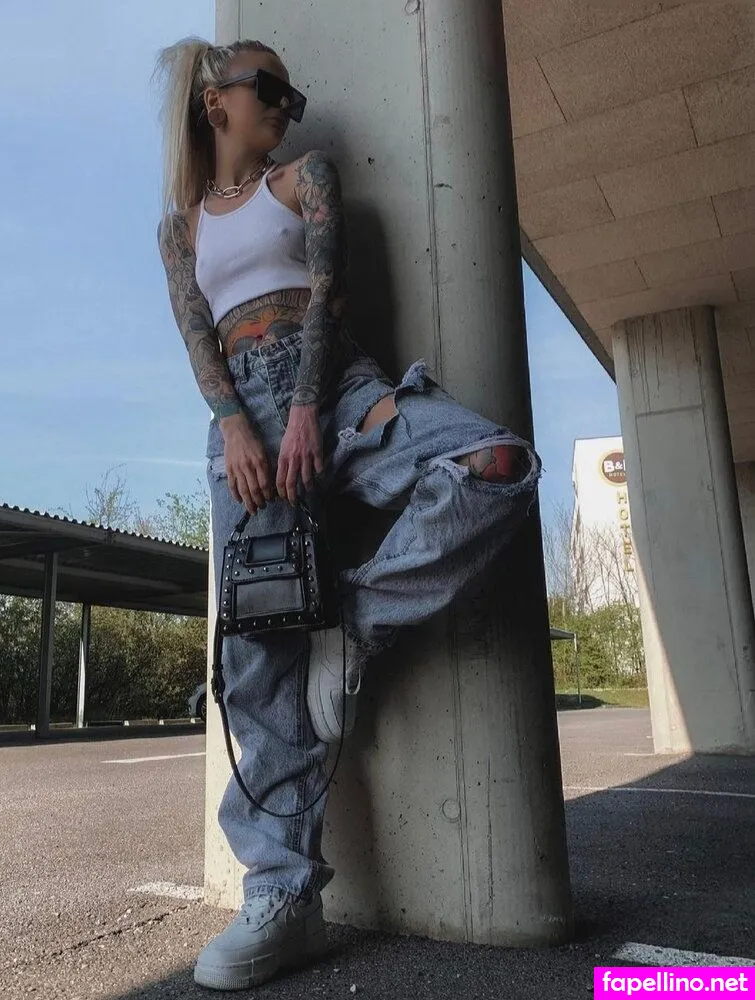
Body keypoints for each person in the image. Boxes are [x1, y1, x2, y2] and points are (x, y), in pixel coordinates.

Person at [153, 36, 542, 992]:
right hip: (243, 424)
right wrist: (237, 426)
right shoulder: (180, 228)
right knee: (256, 664)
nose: (287, 106)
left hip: (341, 391)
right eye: (269, 89)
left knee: (494, 464)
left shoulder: (306, 179)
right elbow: (198, 340)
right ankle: (283, 897)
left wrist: (302, 409)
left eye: (293, 94)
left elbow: (327, 293)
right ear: (216, 100)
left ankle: (356, 620)